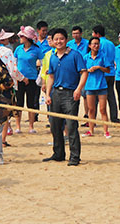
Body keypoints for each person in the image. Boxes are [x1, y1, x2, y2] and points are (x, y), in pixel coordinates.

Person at [44, 28, 88, 165]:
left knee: (71, 126)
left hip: (70, 94)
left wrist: (78, 89)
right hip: (56, 94)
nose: (59, 41)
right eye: (56, 39)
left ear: (66, 40)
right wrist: (48, 94)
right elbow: (51, 76)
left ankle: (74, 157)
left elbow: (84, 73)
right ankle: (58, 154)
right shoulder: (53, 57)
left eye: (61, 39)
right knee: (55, 126)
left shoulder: (75, 55)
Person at [14, 26, 44, 133]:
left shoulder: (36, 50)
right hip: (19, 79)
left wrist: (40, 78)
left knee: (31, 103)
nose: (20, 38)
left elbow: (43, 64)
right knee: (19, 103)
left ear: (27, 38)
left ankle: (31, 126)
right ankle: (18, 126)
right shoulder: (18, 49)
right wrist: (18, 77)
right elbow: (14, 64)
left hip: (32, 79)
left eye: (22, 36)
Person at [83, 36, 111, 138]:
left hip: (101, 86)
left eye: (97, 44)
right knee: (91, 110)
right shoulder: (86, 57)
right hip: (89, 86)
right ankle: (91, 130)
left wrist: (99, 67)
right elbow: (81, 70)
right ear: (90, 45)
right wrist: (88, 70)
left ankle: (106, 131)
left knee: (103, 109)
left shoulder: (103, 56)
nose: (96, 46)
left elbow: (108, 70)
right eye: (94, 44)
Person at [92, 25, 119, 122]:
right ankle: (114, 117)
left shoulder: (98, 44)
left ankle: (92, 118)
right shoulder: (111, 43)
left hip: (102, 73)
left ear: (97, 34)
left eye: (93, 33)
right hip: (111, 73)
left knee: (95, 96)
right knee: (111, 96)